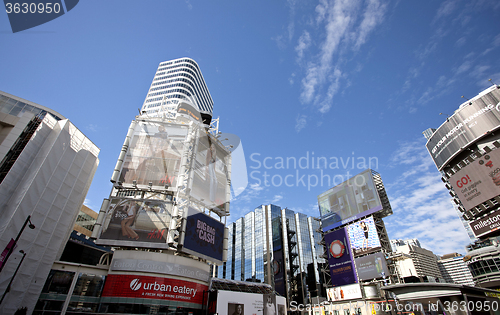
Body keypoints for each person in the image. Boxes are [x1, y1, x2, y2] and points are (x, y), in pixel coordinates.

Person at [205, 137, 218, 203]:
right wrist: (207, 166)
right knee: (212, 181)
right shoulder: (208, 150)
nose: (212, 148)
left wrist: (214, 169)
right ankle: (211, 198)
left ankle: (213, 197)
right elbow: (207, 159)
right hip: (209, 164)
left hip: (212, 166)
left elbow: (214, 162)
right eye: (212, 147)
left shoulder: (215, 152)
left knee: (216, 181)